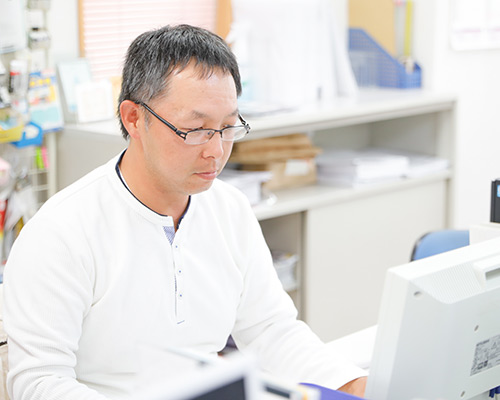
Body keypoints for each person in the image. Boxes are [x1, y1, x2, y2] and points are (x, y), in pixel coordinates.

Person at [3, 25, 367, 399]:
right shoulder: (61, 232)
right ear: (133, 118)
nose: (216, 151)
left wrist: (352, 384)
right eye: (195, 129)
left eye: (227, 127)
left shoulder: (230, 209)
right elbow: (39, 382)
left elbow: (270, 331)